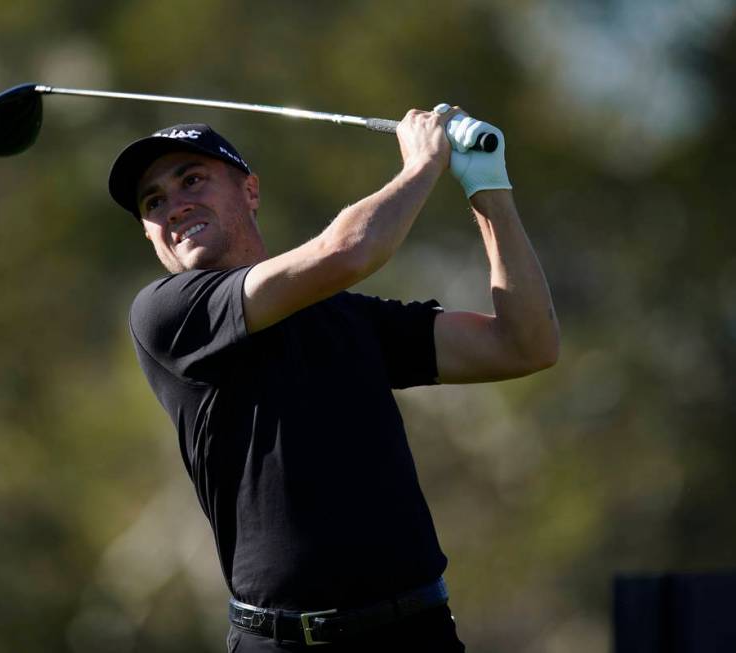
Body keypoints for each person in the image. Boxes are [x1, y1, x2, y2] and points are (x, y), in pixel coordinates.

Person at [107, 105, 559, 651]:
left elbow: (524, 344)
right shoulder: (165, 315)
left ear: (250, 191)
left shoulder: (350, 318)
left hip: (417, 633)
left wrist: (488, 189)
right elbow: (347, 251)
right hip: (285, 643)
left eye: (192, 179)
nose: (174, 206)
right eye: (153, 202)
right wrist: (422, 166)